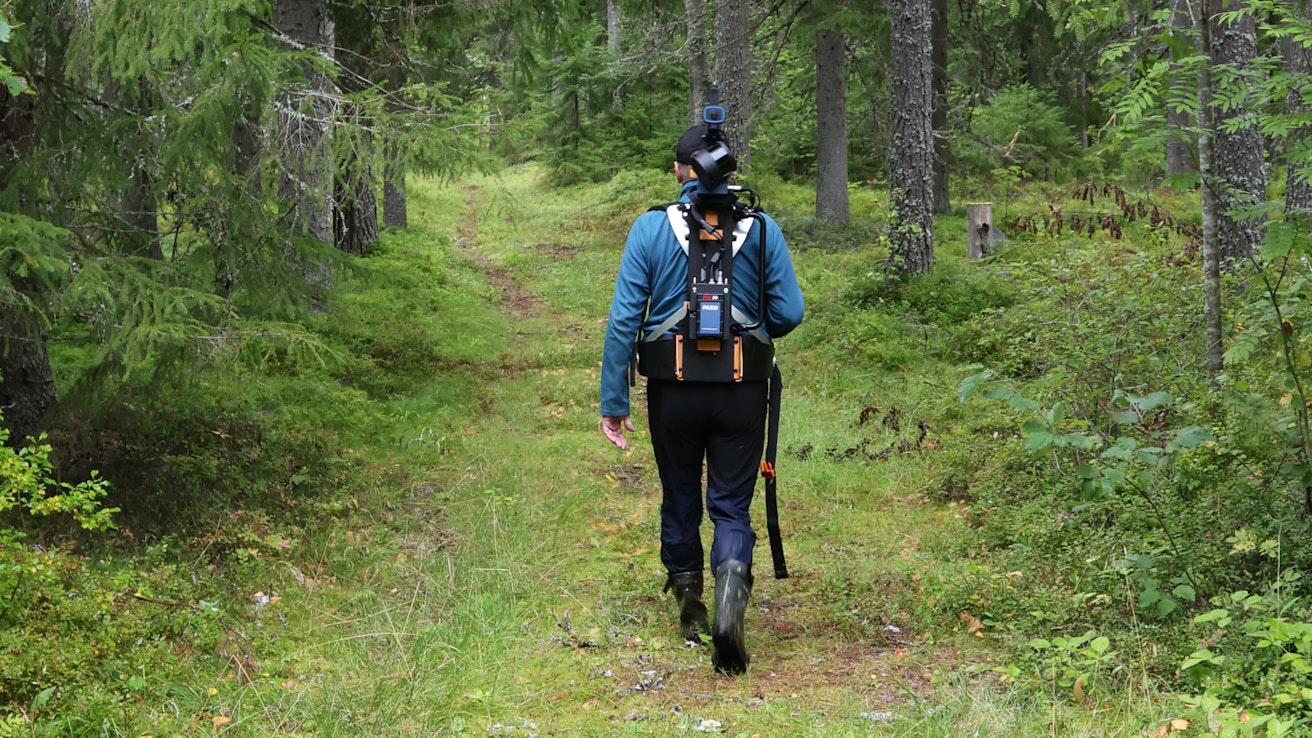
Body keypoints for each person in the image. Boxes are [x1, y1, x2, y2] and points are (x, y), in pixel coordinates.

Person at [599, 125, 805, 674]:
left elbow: (624, 320)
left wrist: (613, 400)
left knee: (680, 492)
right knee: (731, 506)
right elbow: (789, 313)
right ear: (729, 170)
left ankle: (690, 603)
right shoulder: (761, 229)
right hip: (742, 392)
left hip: (673, 393)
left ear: (678, 170)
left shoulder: (649, 229)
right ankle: (732, 577)